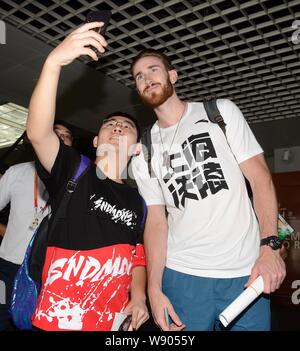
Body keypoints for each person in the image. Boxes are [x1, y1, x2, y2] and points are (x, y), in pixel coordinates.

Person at [130, 49, 286, 331]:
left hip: (245, 273)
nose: (146, 78)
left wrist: (270, 248)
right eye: (139, 76)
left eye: (153, 69)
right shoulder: (144, 151)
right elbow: (155, 221)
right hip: (182, 278)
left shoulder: (219, 112)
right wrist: (153, 287)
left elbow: (260, 179)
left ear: (172, 76)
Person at [26, 21, 149, 331]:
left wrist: (139, 297)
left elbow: (137, 256)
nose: (118, 127)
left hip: (112, 323)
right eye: (110, 124)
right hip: (59, 321)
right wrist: (53, 62)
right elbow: (39, 133)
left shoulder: (139, 201)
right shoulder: (74, 169)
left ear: (136, 149)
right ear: (95, 141)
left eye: (127, 127)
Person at [0, 123, 73, 330]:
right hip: (7, 266)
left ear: (71, 146)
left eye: (66, 136)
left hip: (51, 273)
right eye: (55, 133)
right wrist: (5, 232)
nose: (60, 138)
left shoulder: (79, 183)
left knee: (36, 324)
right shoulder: (17, 172)